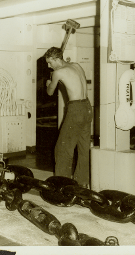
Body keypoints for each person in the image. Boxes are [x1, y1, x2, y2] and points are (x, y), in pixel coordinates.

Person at [44, 47, 92, 188]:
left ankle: (62, 184)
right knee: (83, 148)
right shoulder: (76, 65)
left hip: (76, 109)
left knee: (62, 148)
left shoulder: (57, 73)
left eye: (49, 62)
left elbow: (50, 92)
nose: (48, 66)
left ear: (56, 59)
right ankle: (82, 182)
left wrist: (49, 83)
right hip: (87, 108)